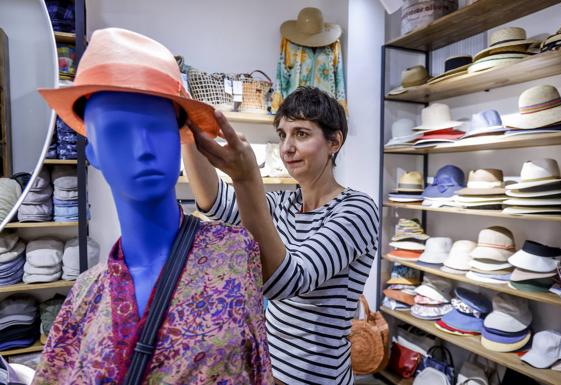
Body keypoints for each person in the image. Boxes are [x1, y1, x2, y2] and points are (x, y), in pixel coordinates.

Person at [33, 28, 273, 384]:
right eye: (117, 131)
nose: (143, 147)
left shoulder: (235, 253)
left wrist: (247, 177)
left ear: (180, 141)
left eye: (157, 127)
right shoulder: (84, 299)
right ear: (92, 152)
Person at [183, 86, 380, 384]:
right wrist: (186, 127)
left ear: (334, 142)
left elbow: (288, 280)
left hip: (315, 378)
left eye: (301, 134)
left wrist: (246, 177)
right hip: (267, 368)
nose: (287, 147)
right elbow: (214, 200)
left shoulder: (356, 210)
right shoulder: (283, 203)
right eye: (282, 134)